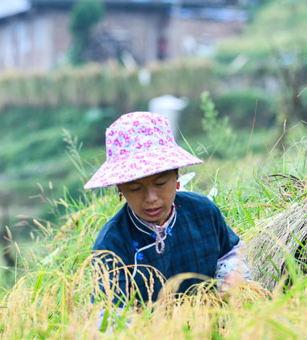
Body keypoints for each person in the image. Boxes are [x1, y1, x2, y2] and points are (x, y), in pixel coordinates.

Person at [87, 111, 249, 306]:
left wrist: (232, 275)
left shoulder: (202, 211)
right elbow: (111, 315)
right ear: (121, 189)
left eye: (161, 183)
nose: (151, 198)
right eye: (135, 188)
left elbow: (230, 251)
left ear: (176, 176)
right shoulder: (112, 244)